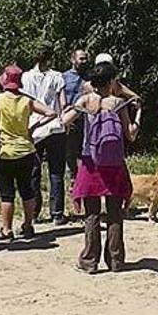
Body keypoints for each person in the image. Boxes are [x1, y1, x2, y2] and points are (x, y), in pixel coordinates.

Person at [62, 61, 138, 274]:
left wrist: (75, 108)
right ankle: (116, 260)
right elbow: (130, 134)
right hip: (114, 163)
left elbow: (65, 120)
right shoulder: (118, 103)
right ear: (112, 81)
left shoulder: (87, 100)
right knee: (115, 212)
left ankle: (89, 261)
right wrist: (138, 115)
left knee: (92, 213)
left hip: (90, 161)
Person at [0, 65, 57, 240]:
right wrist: (34, 126)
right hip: (26, 150)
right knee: (27, 190)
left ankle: (6, 229)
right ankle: (28, 225)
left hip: (4, 152)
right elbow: (51, 112)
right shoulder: (26, 101)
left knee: (7, 193)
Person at [22, 42, 68, 226]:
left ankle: (33, 212)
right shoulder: (57, 76)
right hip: (55, 126)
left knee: (33, 172)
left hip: (34, 127)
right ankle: (57, 213)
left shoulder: (25, 77)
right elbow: (62, 103)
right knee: (56, 172)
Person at [63, 49, 90, 216]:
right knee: (71, 159)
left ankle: (85, 193)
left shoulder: (90, 77)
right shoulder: (64, 77)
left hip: (86, 122)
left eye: (86, 59)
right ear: (73, 59)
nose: (84, 61)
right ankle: (74, 198)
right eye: (81, 58)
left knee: (85, 159)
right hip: (70, 121)